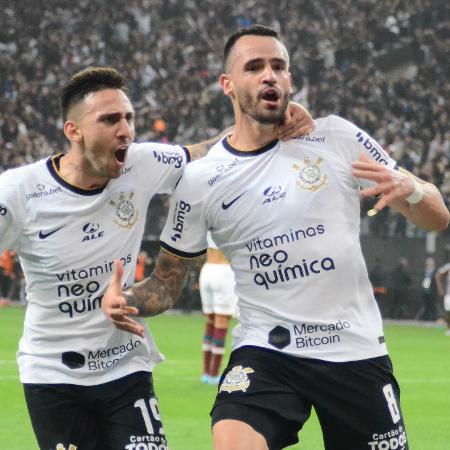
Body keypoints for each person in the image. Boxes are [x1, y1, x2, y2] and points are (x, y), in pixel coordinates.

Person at [101, 25, 449, 450]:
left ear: (289, 80)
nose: (270, 75)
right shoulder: (200, 179)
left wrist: (409, 188)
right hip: (267, 352)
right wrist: (127, 300)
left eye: (278, 66)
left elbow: (437, 215)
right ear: (227, 84)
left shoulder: (336, 137)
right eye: (255, 67)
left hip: (354, 349)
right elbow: (168, 284)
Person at [0, 66, 313, 450]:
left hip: (124, 367)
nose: (125, 130)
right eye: (110, 119)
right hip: (53, 374)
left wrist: (274, 121)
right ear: (73, 131)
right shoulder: (19, 192)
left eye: (129, 118)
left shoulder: (140, 163)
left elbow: (211, 152)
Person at [200, 232, 238, 385]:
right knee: (221, 322)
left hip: (207, 269)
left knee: (210, 321)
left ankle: (206, 373)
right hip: (224, 270)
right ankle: (214, 374)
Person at [435, 261, 450, 335]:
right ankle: (449, 328)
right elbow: (438, 275)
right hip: (449, 293)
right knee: (448, 311)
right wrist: (440, 288)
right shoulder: (448, 266)